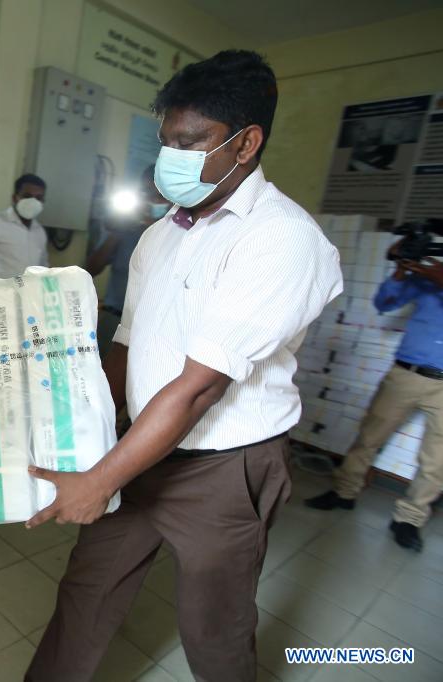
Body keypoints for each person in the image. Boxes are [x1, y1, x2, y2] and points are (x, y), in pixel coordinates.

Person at [23, 50, 342, 682]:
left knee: (214, 629)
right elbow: (127, 343)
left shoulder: (281, 238)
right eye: (167, 140)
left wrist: (100, 480)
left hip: (224, 467)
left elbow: (200, 389)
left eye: (190, 142)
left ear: (246, 143)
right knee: (87, 591)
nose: (171, 156)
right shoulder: (162, 234)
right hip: (141, 448)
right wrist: (84, 425)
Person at [305, 253, 443, 552]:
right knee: (368, 438)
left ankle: (409, 520)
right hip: (405, 374)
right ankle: (344, 493)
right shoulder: (427, 280)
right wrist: (400, 271)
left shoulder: (437, 278)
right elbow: (384, 304)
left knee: (437, 459)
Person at [85, 164, 171, 356]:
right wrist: (117, 231)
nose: (153, 200)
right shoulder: (125, 230)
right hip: (114, 320)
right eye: (147, 193)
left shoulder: (181, 233)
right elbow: (91, 269)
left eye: (160, 195)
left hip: (155, 329)